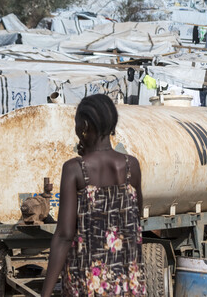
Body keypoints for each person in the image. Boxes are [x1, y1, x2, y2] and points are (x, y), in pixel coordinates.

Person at [41, 94, 146, 296]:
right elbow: (136, 217)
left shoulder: (75, 169)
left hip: (88, 283)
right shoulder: (131, 166)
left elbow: (64, 235)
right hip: (127, 284)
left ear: (85, 125)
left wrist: (45, 293)